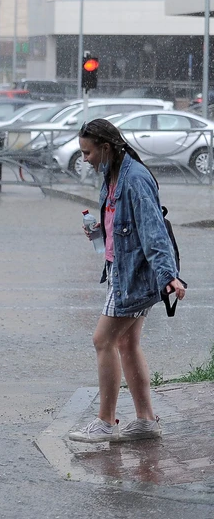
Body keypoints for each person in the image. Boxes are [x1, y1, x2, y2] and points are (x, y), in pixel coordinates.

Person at [67, 119, 185, 443]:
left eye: (88, 152)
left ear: (105, 147)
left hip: (133, 275)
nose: (85, 158)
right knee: (126, 343)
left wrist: (169, 276)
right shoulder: (113, 173)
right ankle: (146, 420)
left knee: (102, 340)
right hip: (123, 270)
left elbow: (153, 231)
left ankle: (106, 421)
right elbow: (120, 222)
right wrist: (98, 232)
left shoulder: (135, 178)